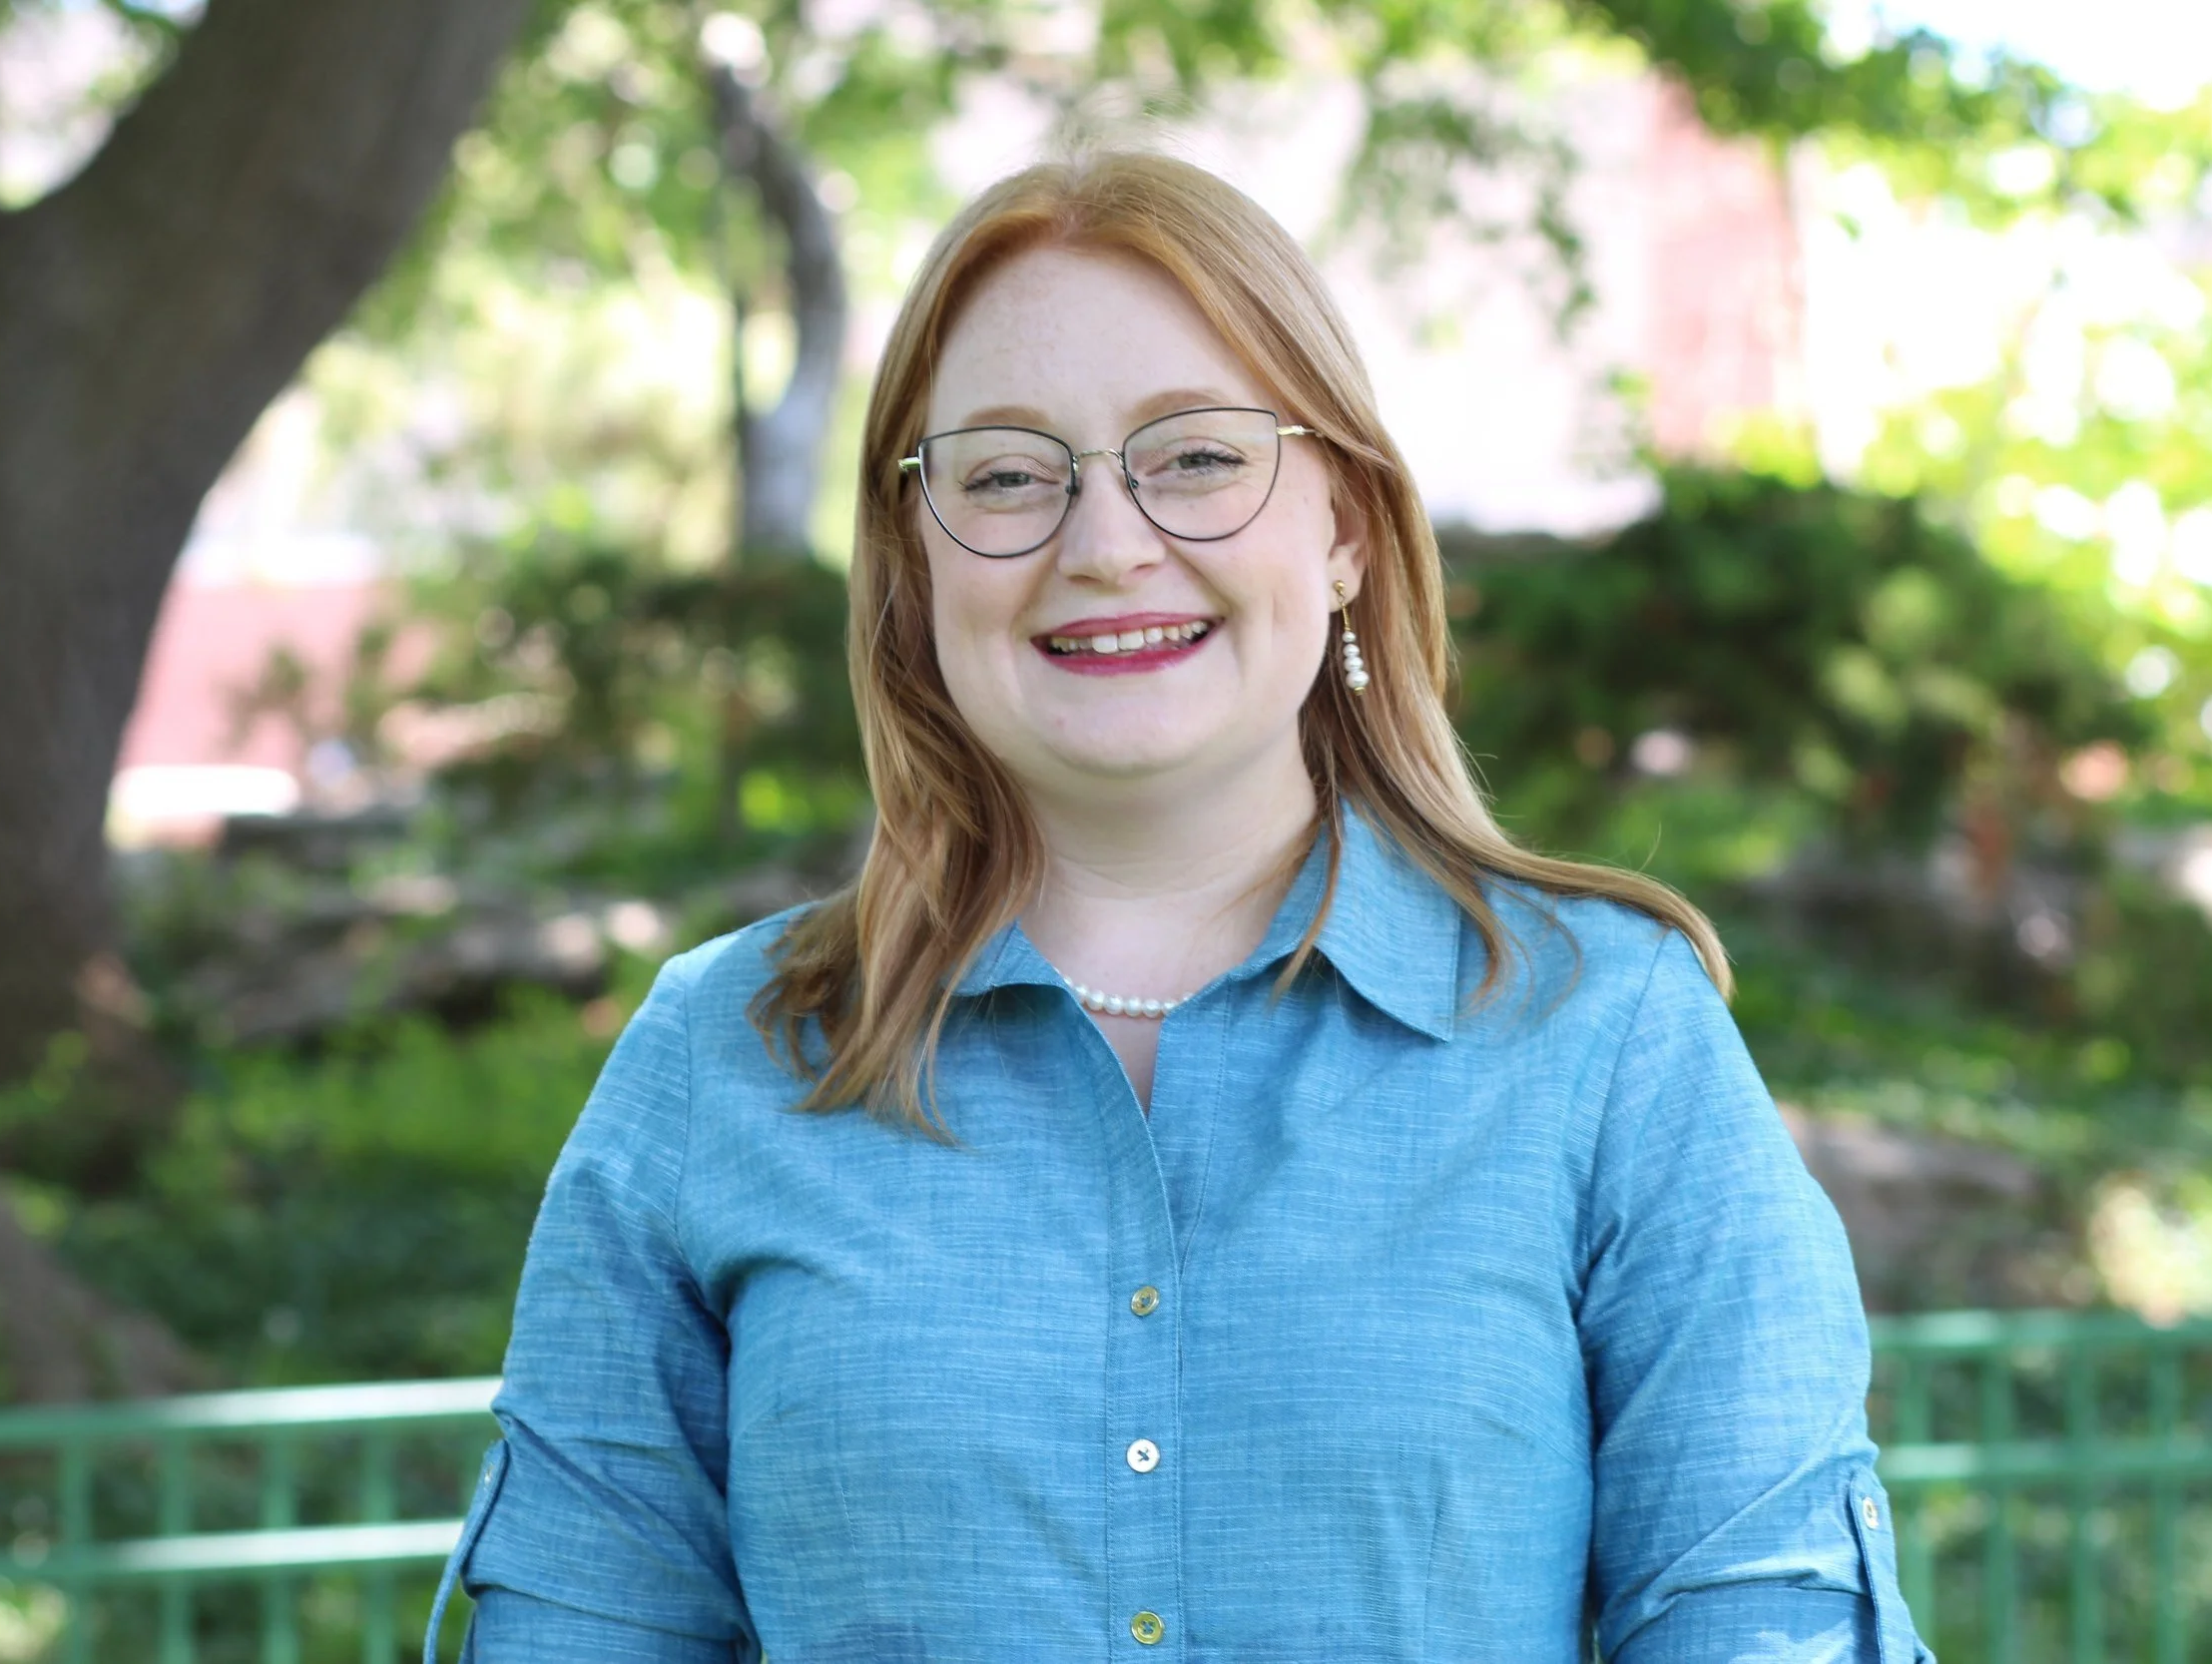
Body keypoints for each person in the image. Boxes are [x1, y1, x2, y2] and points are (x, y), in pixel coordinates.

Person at [424, 150, 1933, 1663]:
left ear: (1345, 527)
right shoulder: (723, 1058)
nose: (1105, 545)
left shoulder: (1606, 1038)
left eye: (1199, 456)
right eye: (1006, 475)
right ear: (915, 560)